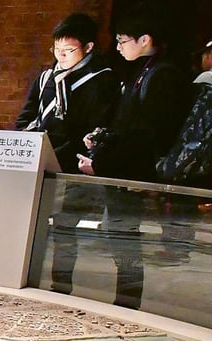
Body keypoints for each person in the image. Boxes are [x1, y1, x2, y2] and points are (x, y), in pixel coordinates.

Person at [77, 8, 187, 309]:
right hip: (125, 170)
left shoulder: (162, 76)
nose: (118, 47)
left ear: (145, 40)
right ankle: (124, 300)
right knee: (120, 237)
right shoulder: (143, 72)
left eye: (122, 41)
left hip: (135, 174)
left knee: (126, 239)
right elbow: (126, 126)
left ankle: (127, 302)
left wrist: (101, 163)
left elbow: (146, 134)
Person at [14, 14, 118, 295]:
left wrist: (59, 152)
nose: (61, 55)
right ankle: (26, 278)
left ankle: (61, 285)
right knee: (30, 223)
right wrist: (24, 142)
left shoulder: (100, 80)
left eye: (69, 50)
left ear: (88, 47)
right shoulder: (46, 77)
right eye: (57, 49)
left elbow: (92, 127)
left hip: (70, 162)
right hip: (37, 159)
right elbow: (26, 114)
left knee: (64, 227)